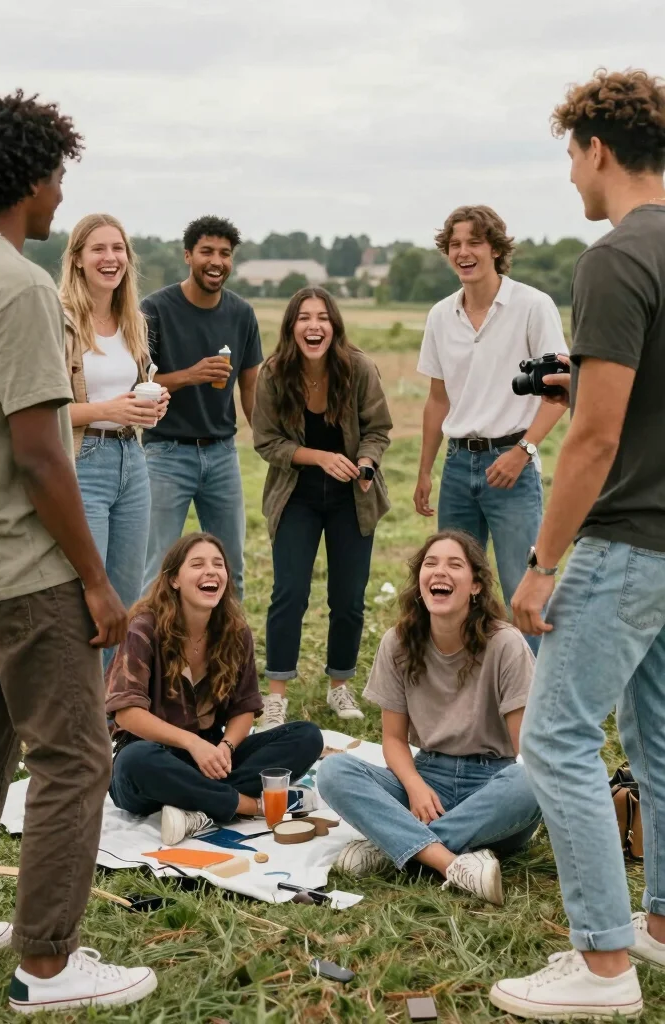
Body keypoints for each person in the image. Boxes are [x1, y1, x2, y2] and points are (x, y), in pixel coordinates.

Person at [0, 91, 156, 1013]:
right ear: (32, 179)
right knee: (75, 759)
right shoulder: (21, 286)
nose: (61, 194)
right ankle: (47, 966)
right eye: (58, 177)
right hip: (26, 572)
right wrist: (96, 579)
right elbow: (40, 452)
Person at [489, 69, 665, 1022]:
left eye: (570, 155)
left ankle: (603, 966)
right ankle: (660, 924)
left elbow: (592, 440)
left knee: (555, 741)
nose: (569, 175)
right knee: (659, 739)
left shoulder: (614, 258)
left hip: (626, 540)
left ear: (598, 149)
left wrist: (542, 563)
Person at [317, 530, 541, 905]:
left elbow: (527, 749)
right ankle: (450, 862)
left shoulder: (505, 643)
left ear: (475, 585)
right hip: (425, 778)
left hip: (490, 785)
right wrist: (415, 786)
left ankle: (395, 846)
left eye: (455, 564)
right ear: (420, 581)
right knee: (334, 771)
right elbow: (393, 739)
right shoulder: (397, 642)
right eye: (431, 563)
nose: (440, 571)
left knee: (534, 779)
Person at [414, 204, 569, 654]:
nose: (463, 252)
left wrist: (523, 451)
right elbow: (437, 399)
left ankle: (532, 690)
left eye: (474, 243)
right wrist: (425, 471)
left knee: (524, 590)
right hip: (457, 465)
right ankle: (463, 681)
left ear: (496, 249)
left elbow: (559, 392)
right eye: (455, 245)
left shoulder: (533, 306)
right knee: (451, 588)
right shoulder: (440, 315)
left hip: (513, 465)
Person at [106, 532, 324, 844]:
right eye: (197, 564)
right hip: (153, 757)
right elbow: (127, 713)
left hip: (211, 756)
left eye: (218, 564)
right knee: (134, 761)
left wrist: (226, 747)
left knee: (306, 736)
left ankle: (197, 808)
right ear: (174, 580)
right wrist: (192, 744)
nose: (211, 571)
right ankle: (248, 805)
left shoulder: (235, 631)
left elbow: (244, 709)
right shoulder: (143, 627)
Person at [252, 287, 393, 728]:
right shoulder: (273, 374)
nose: (314, 326)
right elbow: (267, 442)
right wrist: (320, 457)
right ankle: (276, 695)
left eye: (322, 318)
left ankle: (340, 685)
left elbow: (378, 430)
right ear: (291, 327)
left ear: (334, 326)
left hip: (353, 497)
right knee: (289, 593)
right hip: (296, 495)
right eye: (304, 318)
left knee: (348, 598)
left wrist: (366, 463)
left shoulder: (359, 368)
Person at [60, 214, 169, 667]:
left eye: (118, 248)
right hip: (84, 462)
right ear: (77, 260)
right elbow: (43, 413)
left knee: (125, 597)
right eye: (98, 249)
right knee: (88, 596)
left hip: (132, 459)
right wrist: (108, 410)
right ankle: (82, 704)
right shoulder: (60, 321)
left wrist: (152, 404)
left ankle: (112, 702)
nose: (111, 258)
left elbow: (132, 392)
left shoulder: (133, 321)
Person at [141, 216, 263, 600]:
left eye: (225, 254)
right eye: (207, 251)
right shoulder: (155, 309)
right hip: (165, 453)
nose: (216, 261)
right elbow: (139, 385)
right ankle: (146, 640)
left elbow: (251, 387)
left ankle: (229, 641)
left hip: (222, 454)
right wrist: (190, 375)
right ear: (187, 256)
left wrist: (269, 442)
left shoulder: (242, 314)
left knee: (231, 568)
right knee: (156, 569)